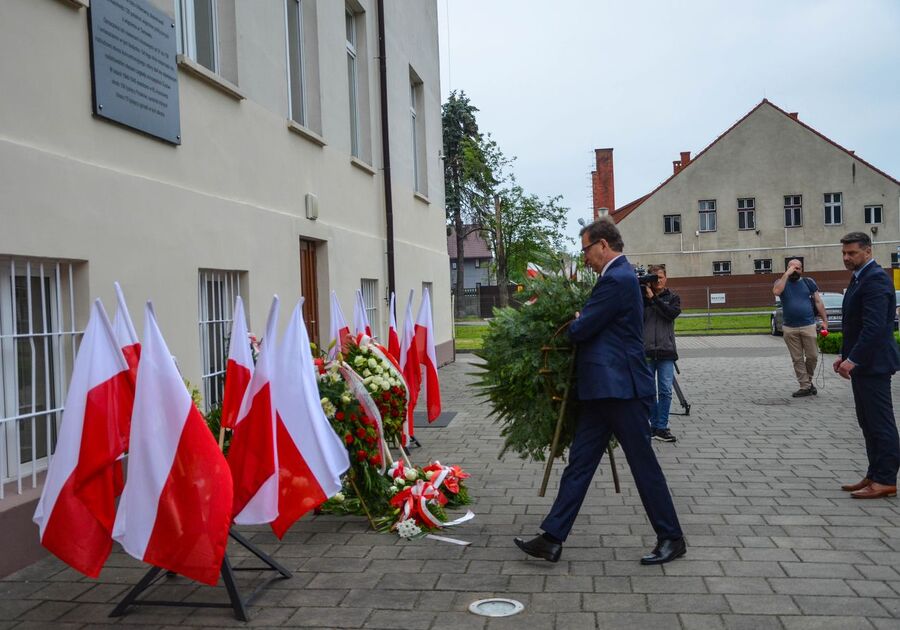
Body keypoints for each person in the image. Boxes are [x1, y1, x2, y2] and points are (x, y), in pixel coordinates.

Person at [514, 219, 685, 565]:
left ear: (603, 245)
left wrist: (580, 320)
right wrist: (585, 319)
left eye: (586, 250)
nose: (585, 259)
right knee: (579, 465)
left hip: (623, 392)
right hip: (605, 392)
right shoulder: (619, 279)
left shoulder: (617, 279)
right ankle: (552, 538)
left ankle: (672, 537)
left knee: (643, 466)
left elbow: (581, 329)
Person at [833, 232, 900, 499]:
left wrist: (853, 359)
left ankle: (885, 479)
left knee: (880, 423)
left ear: (868, 252)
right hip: (864, 365)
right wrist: (843, 355)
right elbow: (853, 323)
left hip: (874, 365)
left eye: (852, 253)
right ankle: (874, 474)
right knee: (867, 422)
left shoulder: (875, 280)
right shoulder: (860, 277)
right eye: (844, 253)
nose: (847, 258)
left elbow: (874, 329)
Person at [773, 258, 828, 397]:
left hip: (808, 325)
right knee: (797, 359)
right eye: (792, 267)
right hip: (789, 328)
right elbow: (777, 292)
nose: (795, 270)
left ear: (802, 269)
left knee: (813, 356)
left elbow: (818, 302)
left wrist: (825, 321)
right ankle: (805, 386)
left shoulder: (808, 282)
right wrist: (786, 274)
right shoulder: (781, 282)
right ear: (787, 268)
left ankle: (807, 383)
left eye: (797, 268)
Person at [643, 264, 681, 442]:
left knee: (665, 391)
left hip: (666, 351)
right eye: (654, 277)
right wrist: (646, 298)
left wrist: (654, 300)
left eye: (660, 277)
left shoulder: (673, 297)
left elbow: (670, 314)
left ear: (666, 278)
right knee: (649, 391)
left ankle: (662, 427)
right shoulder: (642, 298)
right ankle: (654, 426)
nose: (658, 280)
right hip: (647, 351)